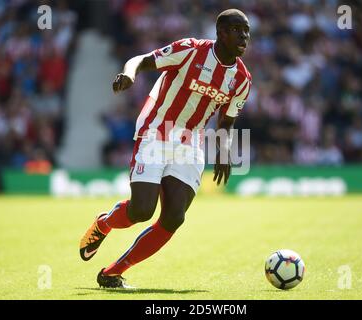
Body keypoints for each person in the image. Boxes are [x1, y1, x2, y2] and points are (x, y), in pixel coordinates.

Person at [79, 9, 252, 288]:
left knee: (174, 217)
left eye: (247, 32)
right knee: (141, 211)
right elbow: (141, 60)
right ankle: (104, 224)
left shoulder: (242, 79)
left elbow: (227, 121)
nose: (244, 36)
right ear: (221, 33)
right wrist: (129, 73)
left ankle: (113, 272)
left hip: (191, 141)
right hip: (157, 130)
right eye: (237, 30)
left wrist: (224, 150)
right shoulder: (190, 50)